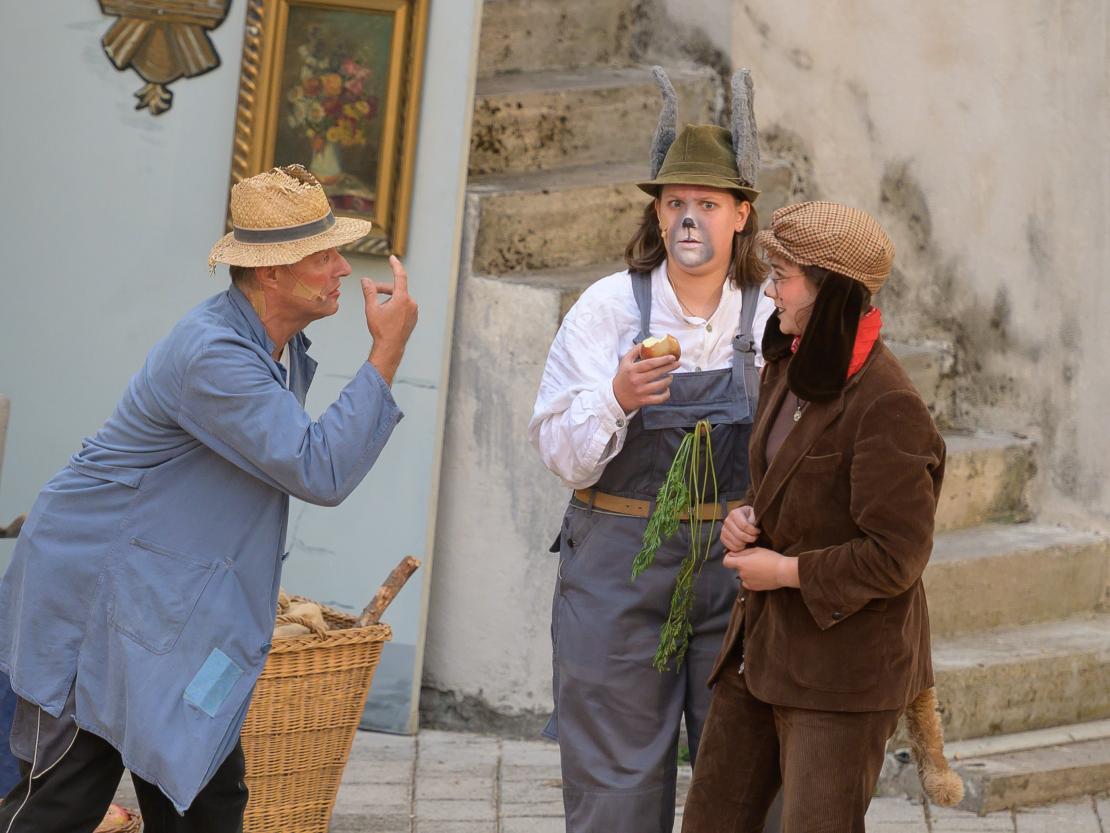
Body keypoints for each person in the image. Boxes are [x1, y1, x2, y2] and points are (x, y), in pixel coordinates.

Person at [0, 164, 418, 832]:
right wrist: (386, 353)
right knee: (62, 802)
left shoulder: (273, 347)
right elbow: (318, 469)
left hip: (169, 613)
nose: (342, 267)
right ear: (271, 272)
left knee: (205, 795)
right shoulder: (213, 354)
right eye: (324, 254)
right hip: (93, 602)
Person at [528, 68, 775, 832]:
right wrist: (617, 397)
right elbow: (562, 456)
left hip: (735, 571)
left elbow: (805, 445)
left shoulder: (768, 316)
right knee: (616, 787)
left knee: (743, 784)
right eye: (675, 203)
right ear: (657, 213)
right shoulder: (607, 309)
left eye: (706, 203)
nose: (689, 218)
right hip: (618, 568)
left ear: (741, 214)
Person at [681, 201, 947, 833]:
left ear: (833, 293)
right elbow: (786, 483)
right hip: (762, 651)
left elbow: (896, 557)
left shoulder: (889, 405)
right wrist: (745, 518)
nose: (770, 289)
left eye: (785, 275)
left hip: (843, 674)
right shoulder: (790, 363)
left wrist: (784, 570)